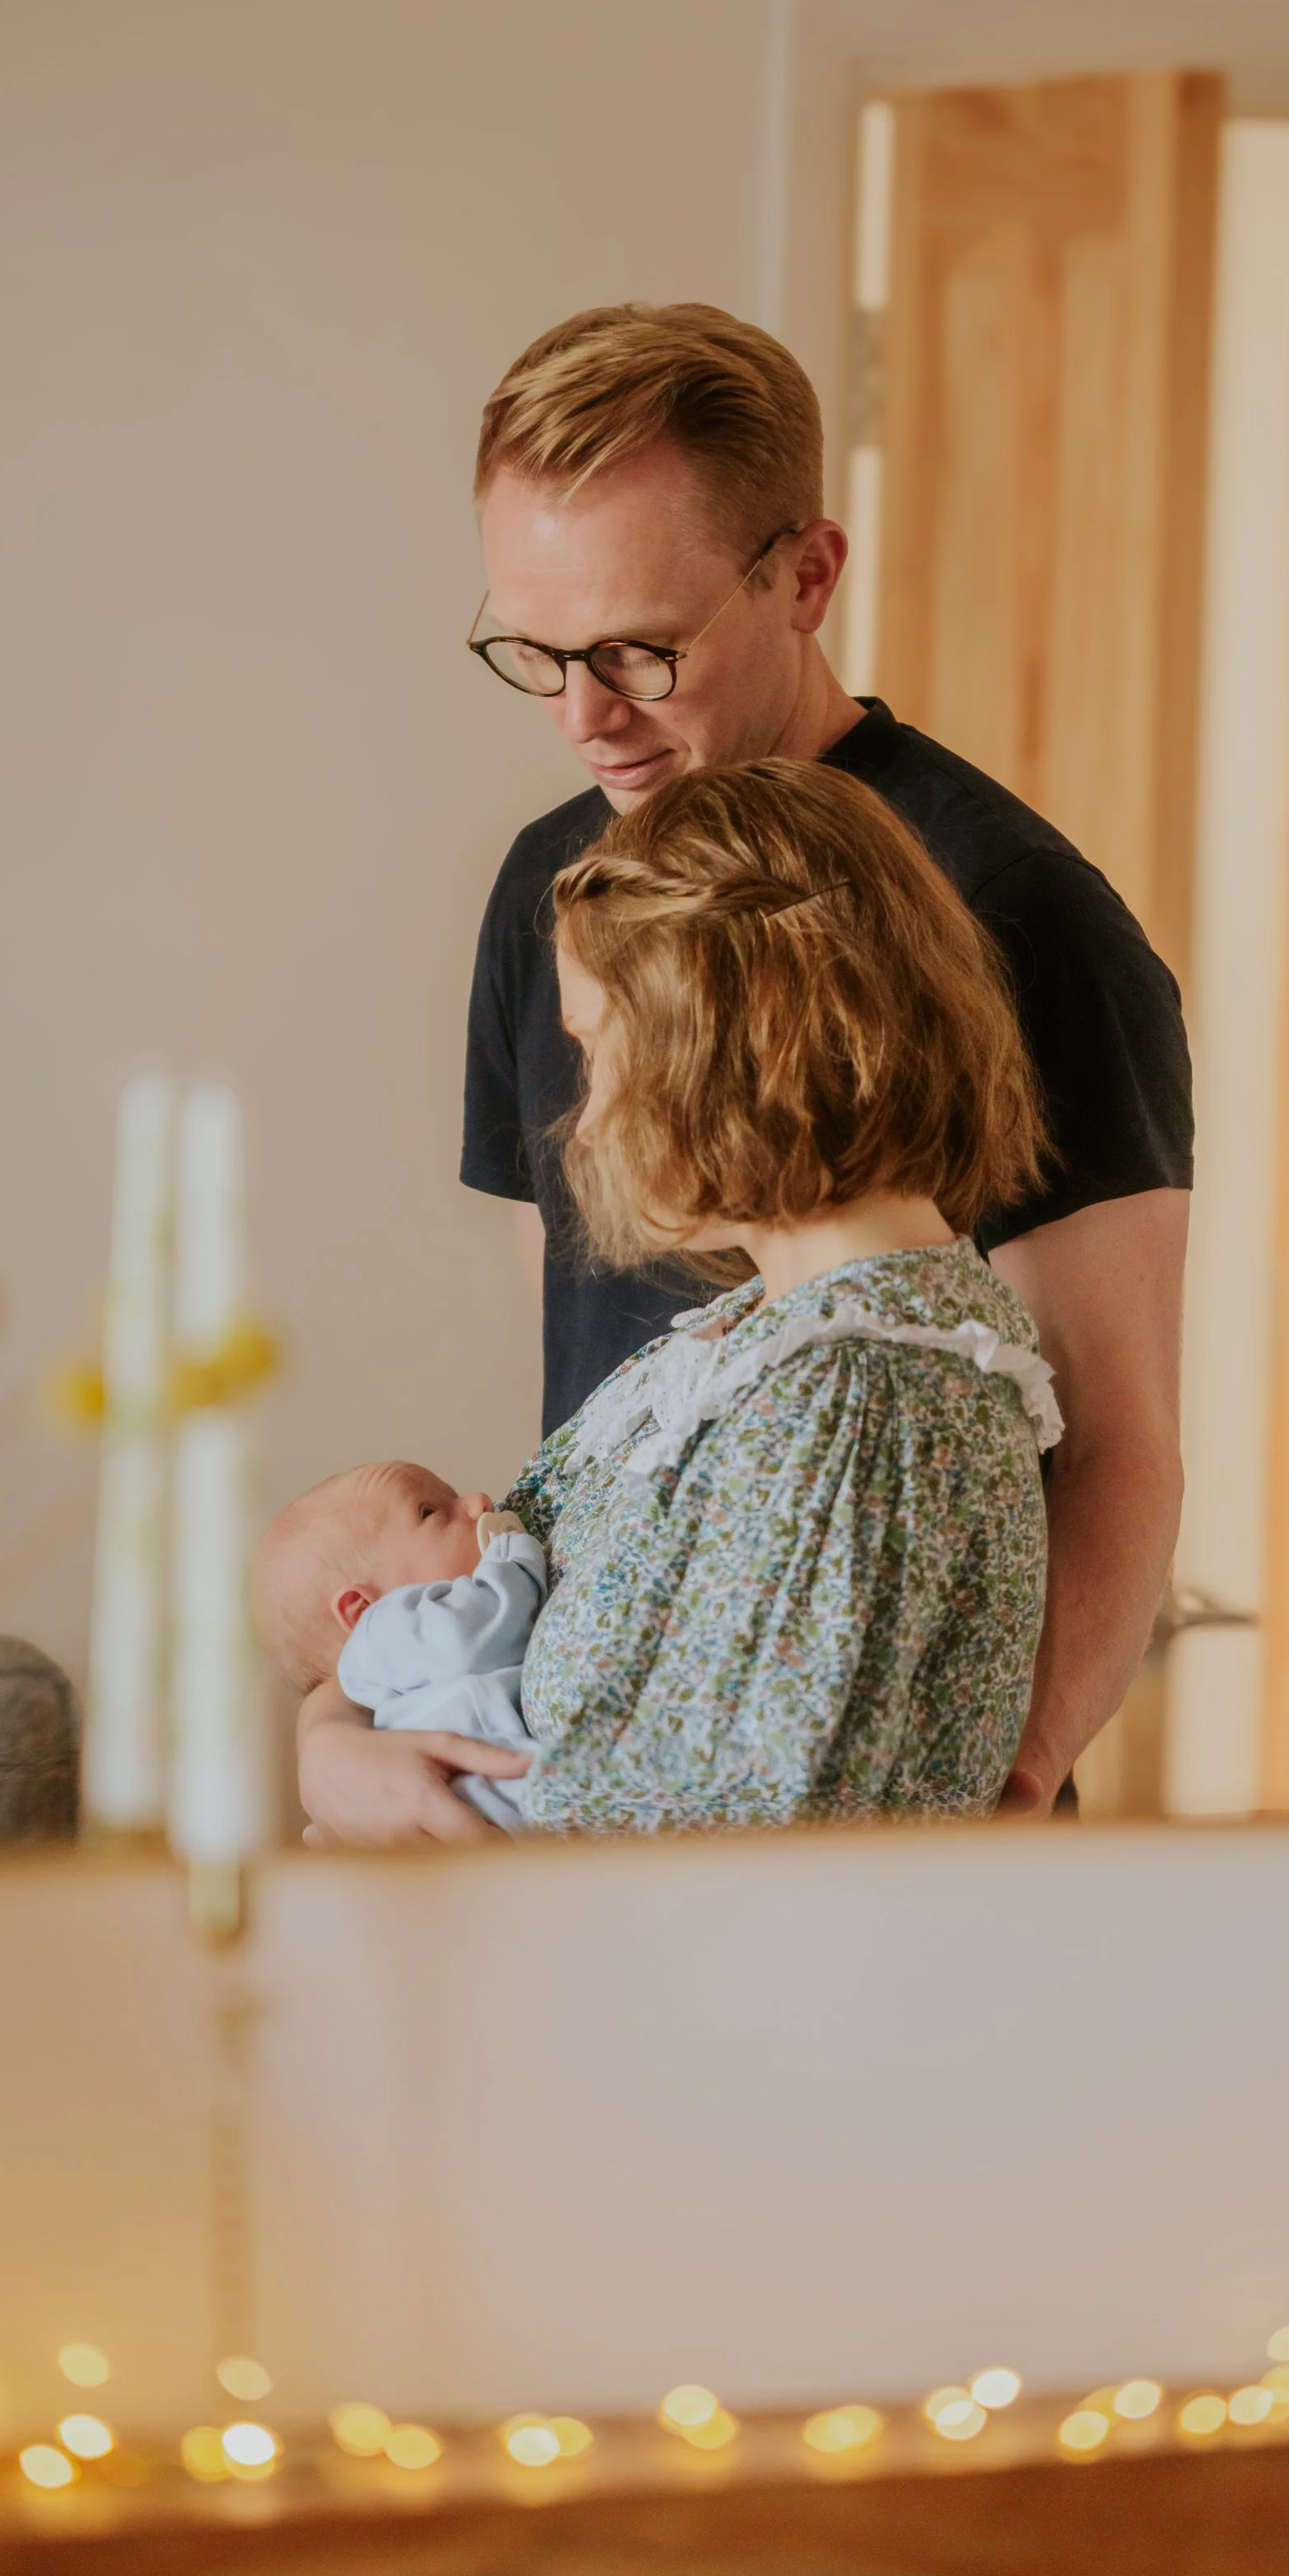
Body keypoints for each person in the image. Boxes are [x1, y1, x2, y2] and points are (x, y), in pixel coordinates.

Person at [456, 302, 1191, 1819]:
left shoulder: (1011, 913)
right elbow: (586, 1407)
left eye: (639, 651)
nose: (585, 716)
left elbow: (1117, 1443)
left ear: (805, 574)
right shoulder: (557, 898)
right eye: (533, 651)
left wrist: (1001, 1780)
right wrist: (400, 1726)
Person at [297, 760, 1056, 1841]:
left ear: (737, 1037)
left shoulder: (858, 1404)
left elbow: (711, 1889)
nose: (588, 1121)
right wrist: (333, 1737)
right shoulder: (756, 1342)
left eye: (601, 1053)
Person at [254, 1464, 541, 1830]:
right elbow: (474, 1632)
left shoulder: (380, 1684)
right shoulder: (384, 1630)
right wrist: (516, 1558)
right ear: (362, 1610)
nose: (478, 1502)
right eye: (430, 1512)